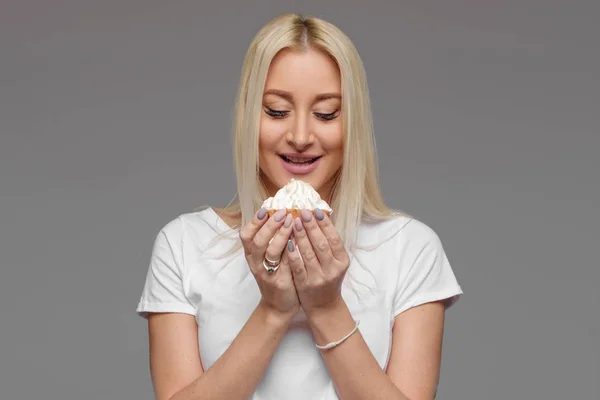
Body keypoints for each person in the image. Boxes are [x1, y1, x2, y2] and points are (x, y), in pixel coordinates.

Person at [136, 12, 462, 400]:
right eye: (276, 110)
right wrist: (273, 310)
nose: (301, 136)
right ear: (248, 117)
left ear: (352, 122)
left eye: (326, 113)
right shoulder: (184, 244)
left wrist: (325, 307)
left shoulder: (411, 248)